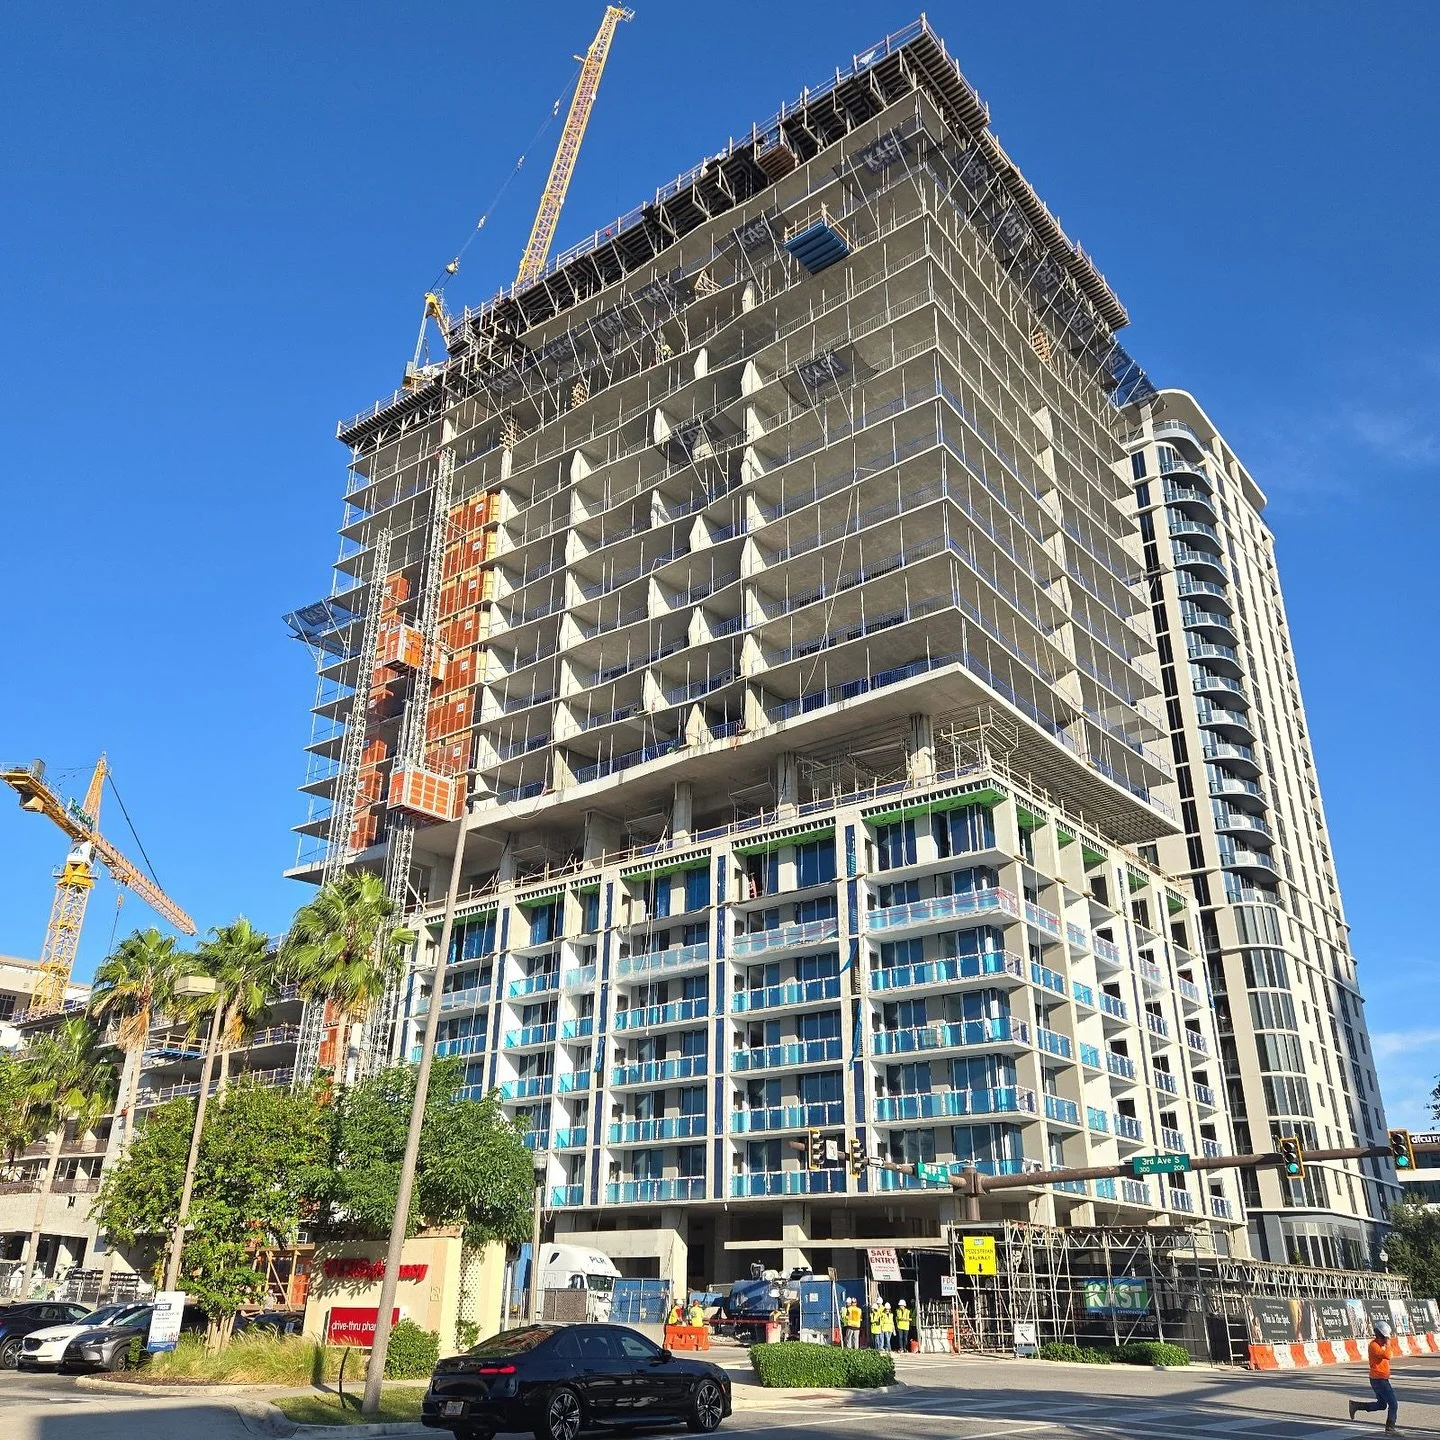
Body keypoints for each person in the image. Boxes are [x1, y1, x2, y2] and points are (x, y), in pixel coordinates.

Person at [1350, 1320, 1400, 1433]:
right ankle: (1390, 1428)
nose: (1385, 1340)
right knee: (1393, 1404)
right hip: (1379, 1380)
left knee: (1382, 1405)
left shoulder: (1380, 1345)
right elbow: (1388, 1355)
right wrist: (1388, 1343)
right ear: (1378, 1335)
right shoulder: (1374, 1346)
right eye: (1384, 1338)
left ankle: (1356, 1406)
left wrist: (1386, 1343)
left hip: (1379, 1379)